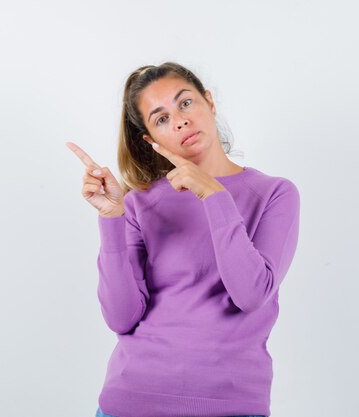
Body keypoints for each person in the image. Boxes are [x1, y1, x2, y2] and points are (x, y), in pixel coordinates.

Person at [65, 62, 300, 417]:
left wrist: (214, 196)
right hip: (130, 402)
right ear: (151, 140)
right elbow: (121, 317)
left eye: (185, 103)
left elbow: (251, 294)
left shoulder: (274, 194)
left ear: (209, 102)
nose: (179, 120)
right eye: (161, 119)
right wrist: (112, 218)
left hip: (231, 405)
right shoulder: (140, 204)